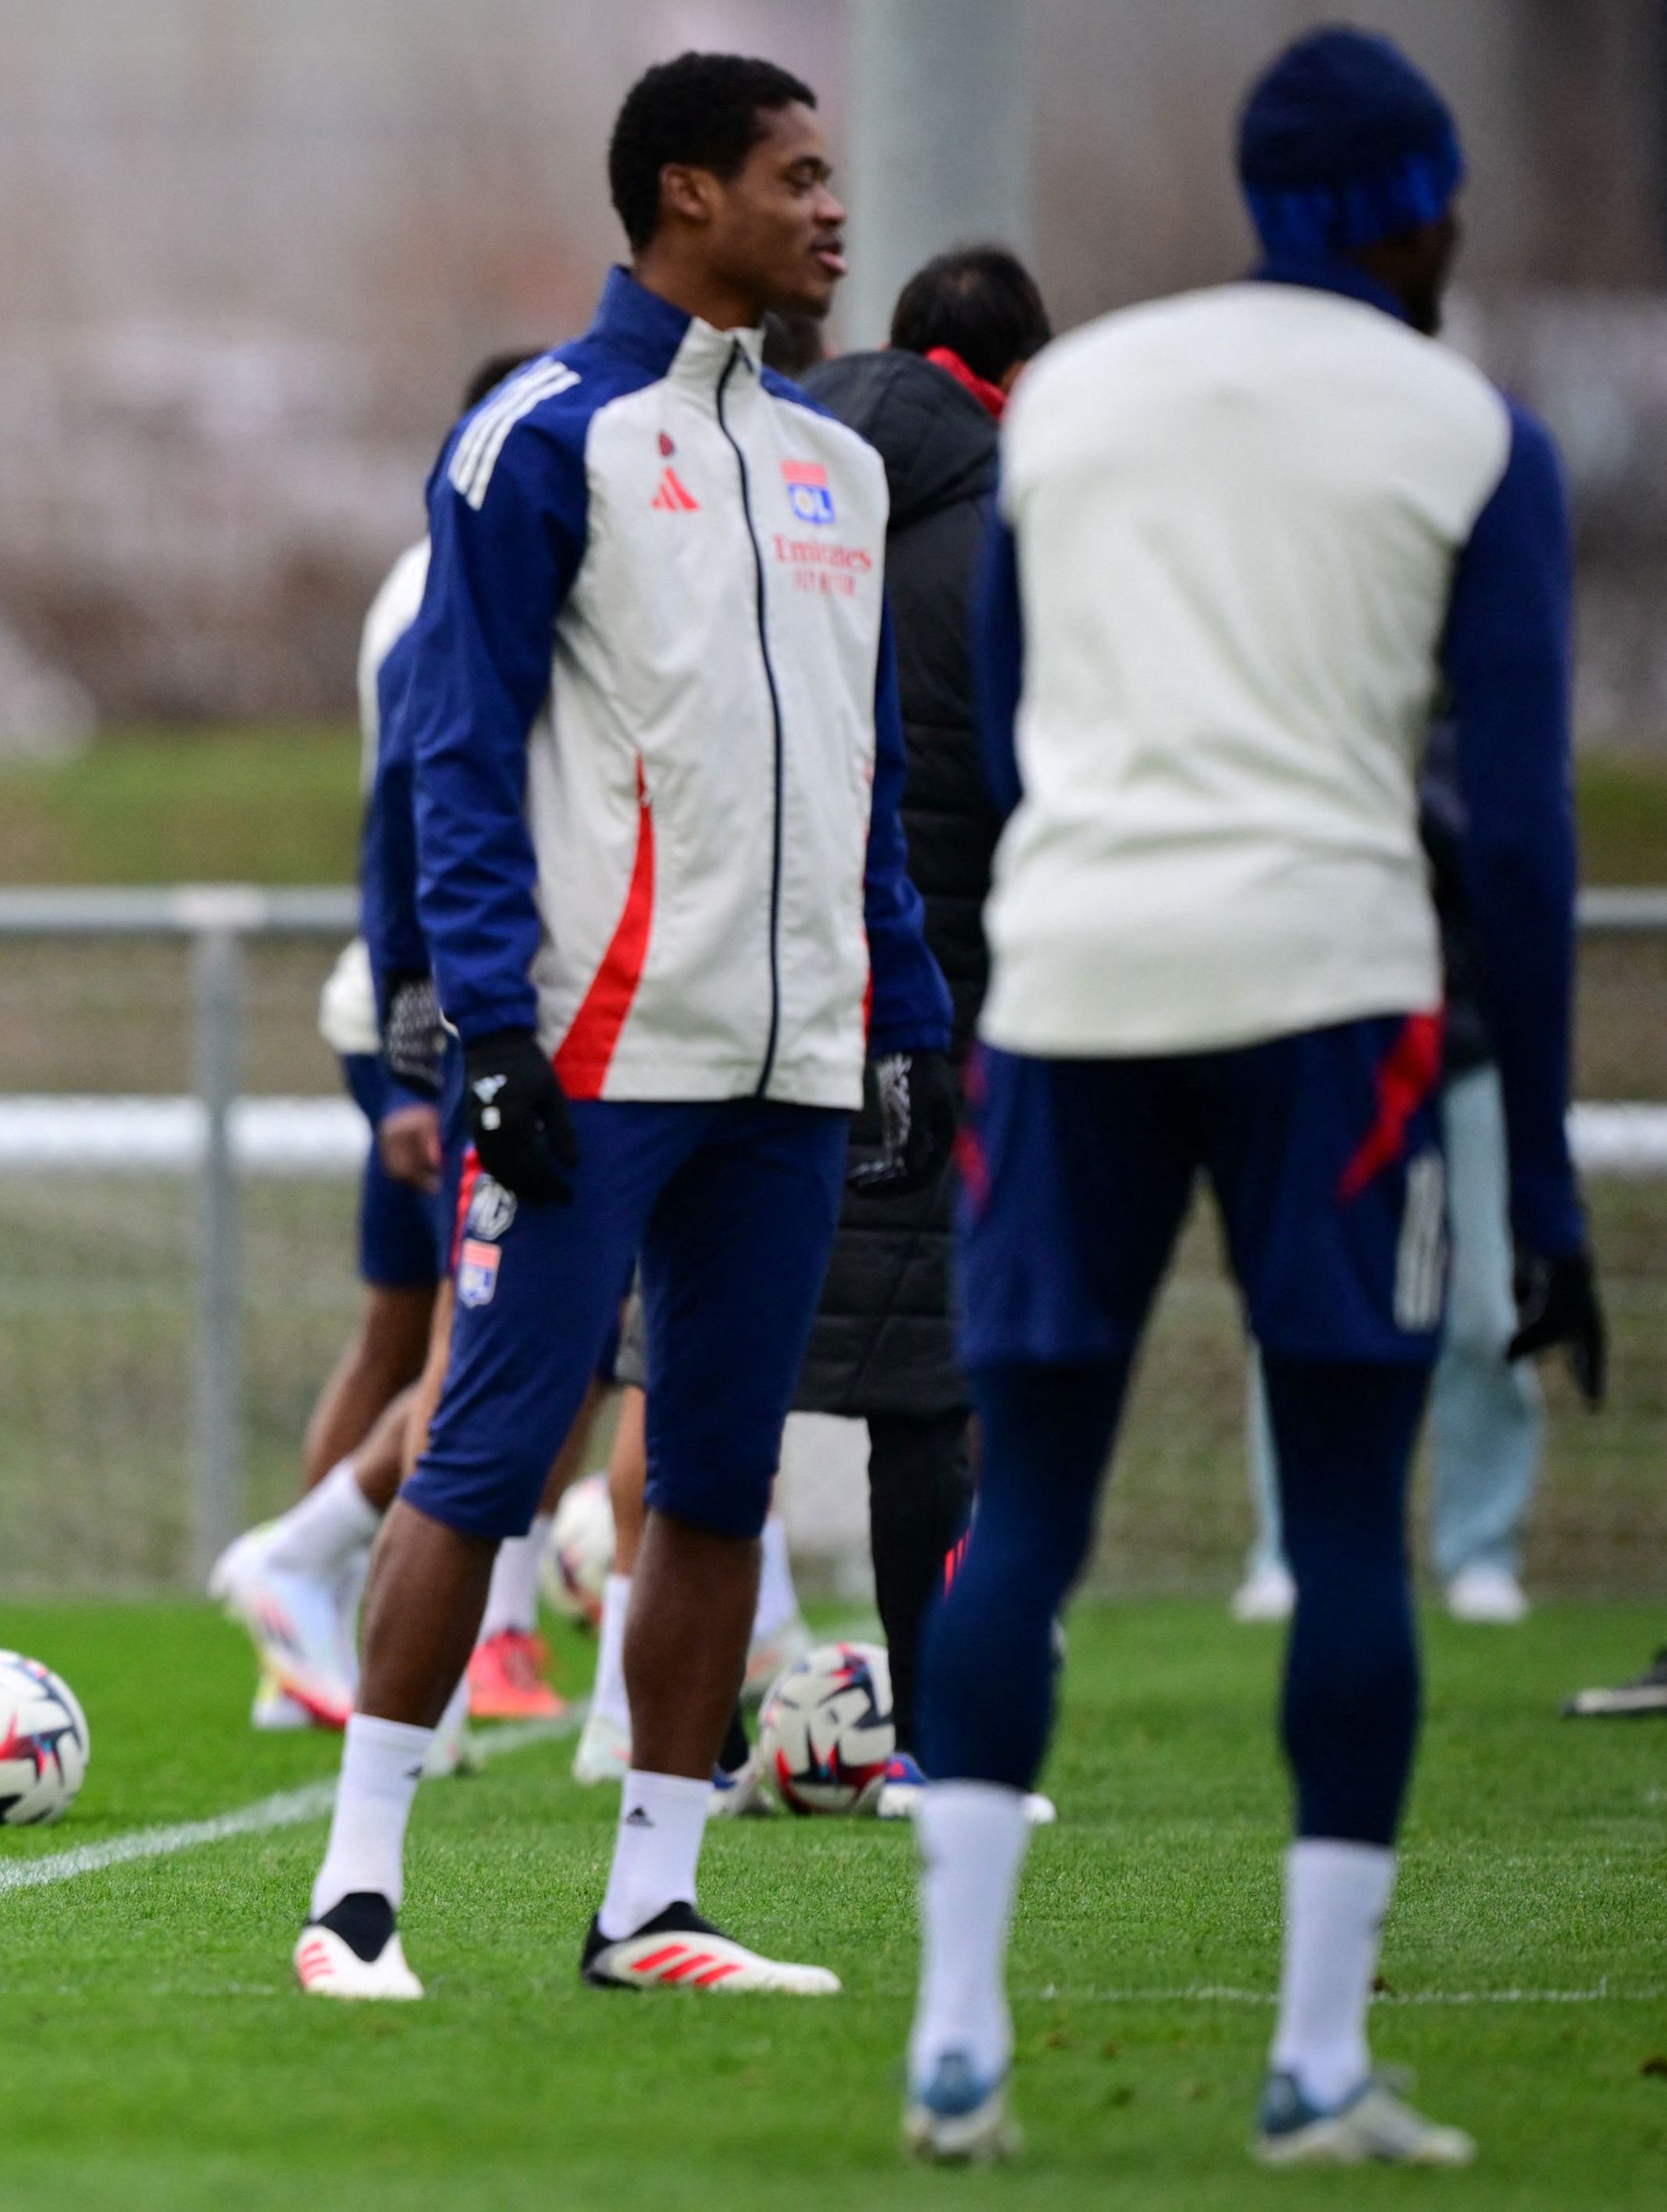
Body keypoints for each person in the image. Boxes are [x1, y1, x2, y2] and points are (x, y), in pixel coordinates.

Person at [903, 28, 1603, 2169]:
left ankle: (953, 2041)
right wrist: (1549, 1156)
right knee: (1341, 1515)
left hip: (1078, 969)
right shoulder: (1468, 429)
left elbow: (1012, 717)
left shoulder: (1086, 388)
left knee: (1021, 1506)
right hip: (1328, 992)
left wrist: (1096, 882)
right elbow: (1513, 834)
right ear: (1406, 202)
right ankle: (1308, 2064)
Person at [292, 51, 954, 2006]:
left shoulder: (835, 467)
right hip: (580, 1055)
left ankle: (648, 1907)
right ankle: (350, 1901)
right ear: (682, 196)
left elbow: (864, 778)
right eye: (793, 176)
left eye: (831, 175)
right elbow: (450, 754)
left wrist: (895, 1016)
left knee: (714, 1485)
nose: (830, 210)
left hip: (786, 1069)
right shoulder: (535, 437)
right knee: (482, 1462)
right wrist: (474, 1028)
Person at [215, 350, 544, 1738]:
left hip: (409, 1009)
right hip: (439, 1018)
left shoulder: (431, 569)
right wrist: (423, 1057)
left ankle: (308, 1621)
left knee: (406, 1333)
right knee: (513, 1346)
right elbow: (414, 813)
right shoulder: (459, 584)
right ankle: (351, 1589)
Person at [789, 244, 1050, 1794]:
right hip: (952, 1013)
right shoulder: (1017, 538)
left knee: (694, 1372)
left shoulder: (781, 487)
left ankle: (645, 1737)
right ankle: (946, 1744)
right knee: (930, 1397)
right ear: (1017, 376)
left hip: (745, 991)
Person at [1229, 735, 1541, 1627]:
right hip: (1325, 1049)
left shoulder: (1465, 716)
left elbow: (1498, 852)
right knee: (1296, 1304)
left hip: (1458, 1053)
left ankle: (1480, 1551)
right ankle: (1288, 1546)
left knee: (1483, 1309)